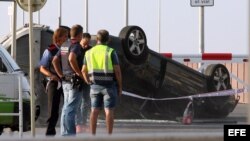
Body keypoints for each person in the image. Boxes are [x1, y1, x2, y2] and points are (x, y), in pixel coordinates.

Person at [81, 29, 122, 135]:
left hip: (94, 86)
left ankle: (93, 135)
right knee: (109, 110)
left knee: (94, 110)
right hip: (109, 86)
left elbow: (83, 70)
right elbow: (117, 71)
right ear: (108, 39)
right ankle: (109, 135)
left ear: (97, 39)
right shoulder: (111, 51)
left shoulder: (89, 52)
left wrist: (87, 81)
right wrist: (120, 87)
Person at [52, 24, 85, 136]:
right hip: (74, 81)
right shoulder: (76, 45)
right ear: (80, 35)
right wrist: (79, 74)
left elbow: (55, 60)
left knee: (66, 108)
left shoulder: (64, 45)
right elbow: (71, 58)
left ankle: (64, 132)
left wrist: (61, 75)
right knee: (71, 109)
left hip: (65, 80)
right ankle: (69, 135)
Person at [39, 27, 68, 136]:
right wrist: (52, 75)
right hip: (54, 83)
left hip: (66, 82)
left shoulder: (66, 49)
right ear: (58, 38)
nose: (67, 38)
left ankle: (66, 131)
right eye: (65, 36)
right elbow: (42, 68)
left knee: (67, 106)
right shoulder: (49, 51)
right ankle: (50, 131)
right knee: (53, 109)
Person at [75, 33, 92, 133]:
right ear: (80, 40)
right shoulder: (76, 49)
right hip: (77, 78)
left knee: (86, 101)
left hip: (86, 78)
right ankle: (78, 123)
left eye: (87, 44)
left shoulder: (90, 49)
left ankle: (83, 122)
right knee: (77, 101)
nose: (86, 46)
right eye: (84, 44)